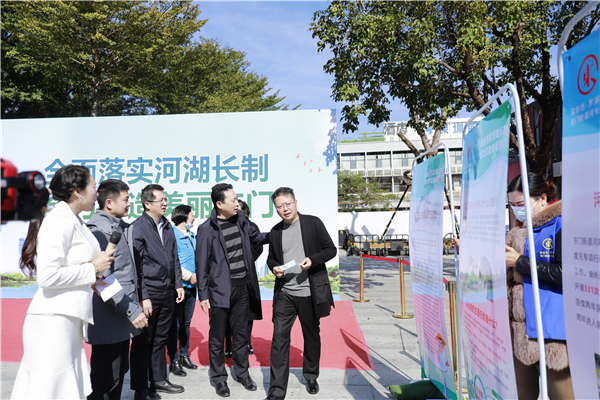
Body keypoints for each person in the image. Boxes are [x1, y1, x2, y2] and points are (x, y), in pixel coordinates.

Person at [11, 165, 116, 399]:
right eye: (93, 187)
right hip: (53, 322)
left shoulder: (74, 220)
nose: (96, 192)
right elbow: (47, 277)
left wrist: (94, 274)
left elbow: (74, 267)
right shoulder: (59, 220)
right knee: (49, 390)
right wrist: (91, 269)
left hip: (67, 320)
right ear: (78, 191)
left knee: (62, 389)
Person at [196, 183, 269, 397]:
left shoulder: (242, 220)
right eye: (233, 200)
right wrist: (203, 295)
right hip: (219, 291)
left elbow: (257, 238)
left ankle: (242, 373)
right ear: (219, 204)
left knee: (241, 335)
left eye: (237, 199)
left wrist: (279, 231)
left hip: (242, 288)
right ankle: (219, 379)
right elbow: (202, 264)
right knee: (217, 337)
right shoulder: (207, 229)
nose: (237, 203)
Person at [504, 173, 573, 399]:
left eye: (521, 204)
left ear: (542, 198)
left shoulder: (561, 224)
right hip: (520, 332)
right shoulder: (518, 232)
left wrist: (520, 262)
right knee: (523, 394)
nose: (516, 210)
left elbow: (566, 273)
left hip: (552, 331)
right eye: (512, 205)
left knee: (562, 394)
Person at [265, 187, 337, 400]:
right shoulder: (275, 231)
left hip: (309, 292)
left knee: (311, 335)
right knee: (279, 339)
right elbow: (271, 258)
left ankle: (311, 375)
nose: (285, 209)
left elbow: (331, 249)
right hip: (285, 293)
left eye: (288, 204)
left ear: (296, 203)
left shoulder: (313, 223)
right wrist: (274, 267)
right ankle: (277, 391)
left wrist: (313, 260)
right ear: (276, 209)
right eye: (280, 206)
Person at [86, 179, 149, 399]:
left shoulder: (120, 227)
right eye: (126, 199)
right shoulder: (98, 231)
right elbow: (102, 279)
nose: (130, 203)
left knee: (118, 373)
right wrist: (131, 309)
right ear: (109, 203)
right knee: (105, 380)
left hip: (121, 316)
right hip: (109, 318)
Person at [130, 184, 185, 399]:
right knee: (143, 341)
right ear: (147, 204)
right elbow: (137, 267)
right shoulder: (138, 228)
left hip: (168, 291)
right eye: (160, 200)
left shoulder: (168, 226)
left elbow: (174, 258)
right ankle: (141, 388)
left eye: (165, 199)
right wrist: (143, 296)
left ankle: (159, 380)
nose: (165, 203)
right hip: (149, 293)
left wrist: (178, 283)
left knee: (161, 338)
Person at [224, 199, 264, 358]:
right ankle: (228, 343)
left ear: (246, 212)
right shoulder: (226, 225)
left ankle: (247, 341)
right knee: (227, 312)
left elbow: (259, 247)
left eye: (240, 209)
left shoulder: (251, 226)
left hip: (248, 276)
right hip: (229, 277)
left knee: (249, 312)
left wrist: (246, 260)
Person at [167, 205, 199, 377]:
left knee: (186, 323)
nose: (194, 218)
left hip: (192, 287)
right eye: (192, 215)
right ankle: (174, 359)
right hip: (178, 287)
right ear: (184, 216)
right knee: (175, 324)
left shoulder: (192, 235)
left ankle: (184, 355)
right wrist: (189, 276)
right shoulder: (172, 235)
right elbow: (172, 262)